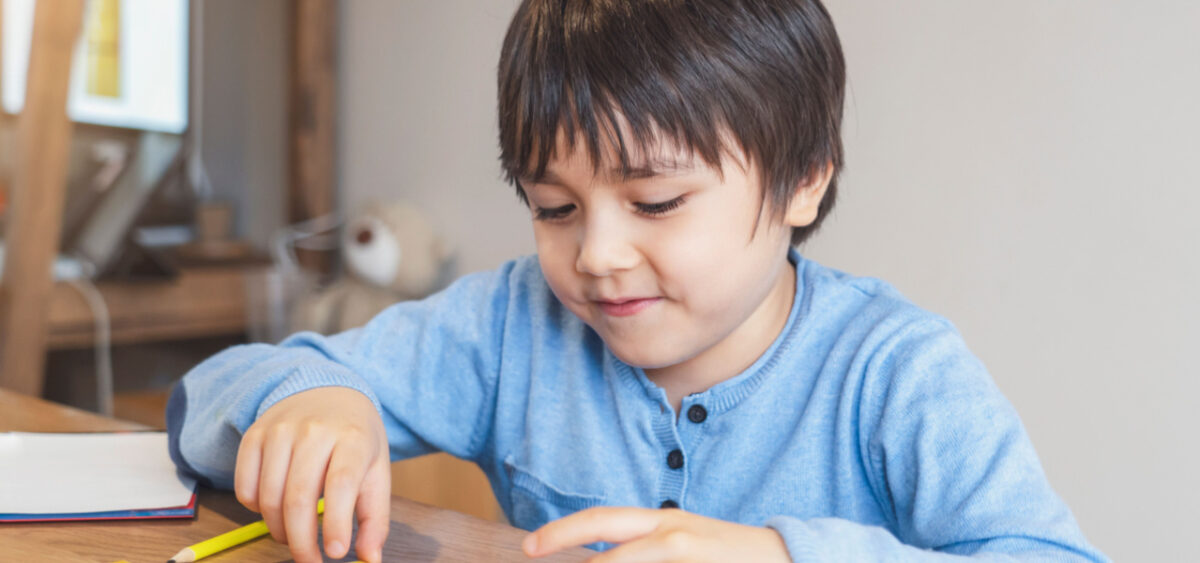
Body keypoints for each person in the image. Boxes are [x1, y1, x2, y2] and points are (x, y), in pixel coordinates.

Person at [167, 1, 1108, 561]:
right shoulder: (512, 325)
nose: (598, 255)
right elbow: (207, 397)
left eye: (656, 202)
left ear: (805, 177)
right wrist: (315, 394)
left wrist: (784, 554)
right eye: (553, 206)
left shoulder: (897, 370)